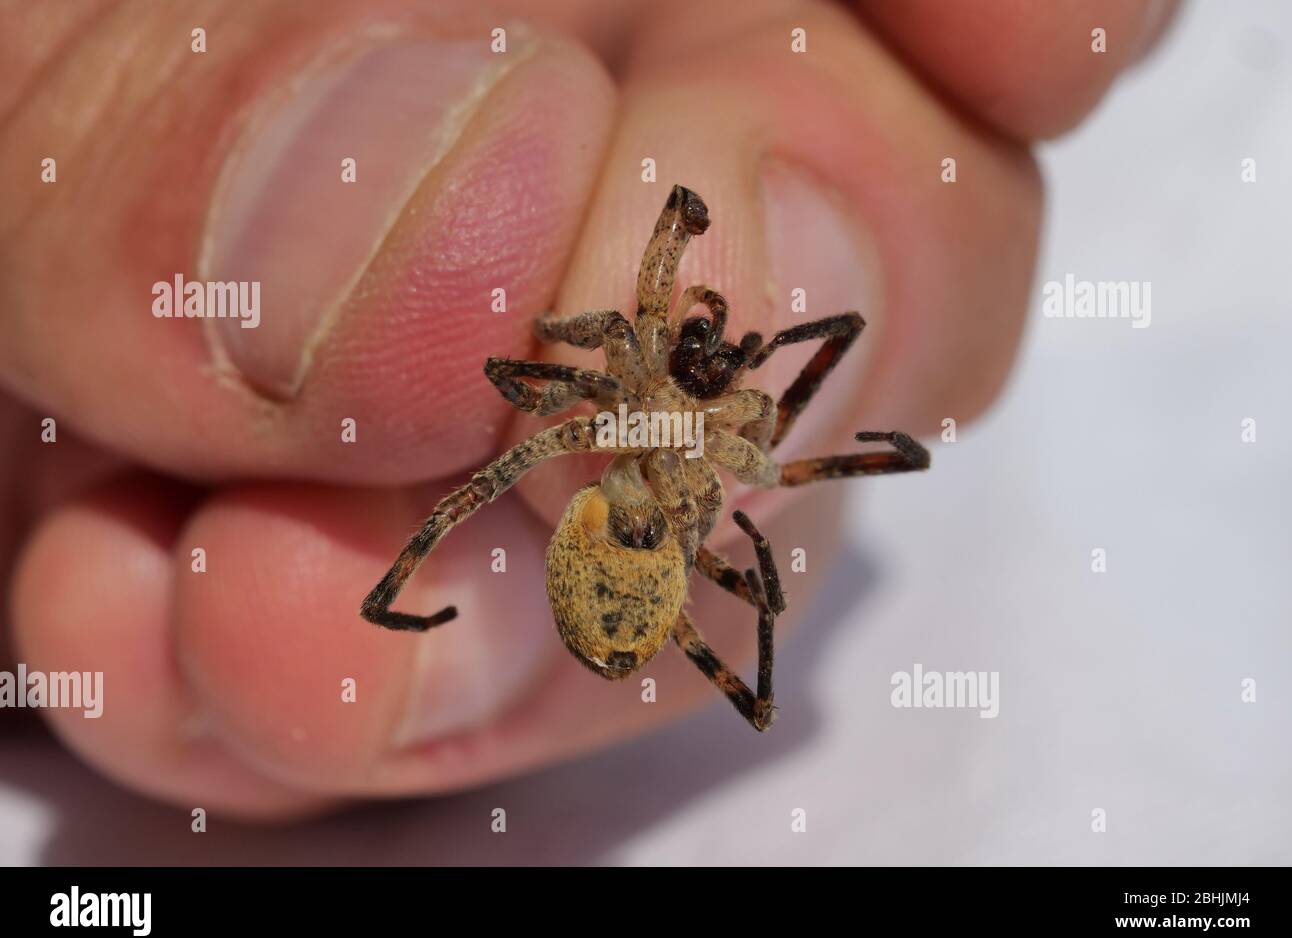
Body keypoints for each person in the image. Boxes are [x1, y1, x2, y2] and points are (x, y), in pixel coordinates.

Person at [0, 0, 1177, 818]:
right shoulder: (640, 384)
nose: (701, 357)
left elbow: (793, 424)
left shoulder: (683, 424)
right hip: (633, 523)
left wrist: (765, 373)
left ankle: (428, 605)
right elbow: (554, 363)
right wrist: (672, 285)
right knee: (561, 472)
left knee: (742, 564)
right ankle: (403, 598)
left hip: (641, 541)